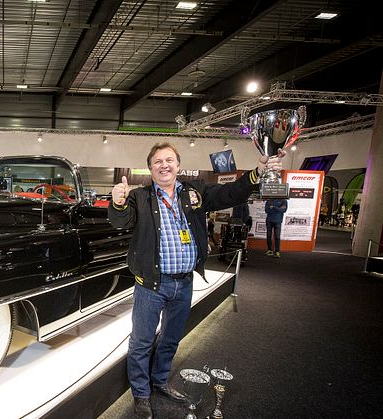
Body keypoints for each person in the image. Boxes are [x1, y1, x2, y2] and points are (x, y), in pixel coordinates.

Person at [108, 143, 282, 419]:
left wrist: (258, 171)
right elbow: (120, 222)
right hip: (151, 283)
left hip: (184, 282)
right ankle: (141, 393)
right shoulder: (140, 196)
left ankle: (161, 381)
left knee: (171, 338)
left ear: (178, 164)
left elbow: (229, 193)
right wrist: (117, 202)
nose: (164, 165)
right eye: (157, 162)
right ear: (151, 168)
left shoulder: (194, 192)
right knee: (141, 342)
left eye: (169, 160)